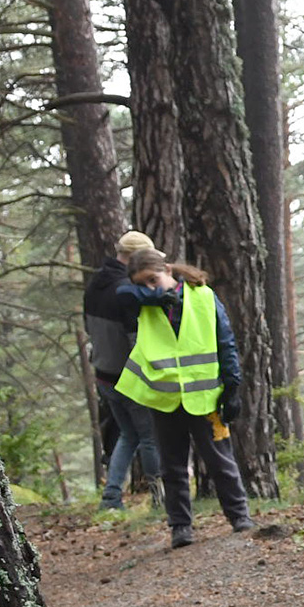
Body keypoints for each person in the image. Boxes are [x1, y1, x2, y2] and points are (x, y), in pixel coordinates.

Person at [114, 248, 254, 546]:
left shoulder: (203, 296)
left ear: (168, 269)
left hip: (206, 398)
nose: (151, 287)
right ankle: (180, 527)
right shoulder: (143, 302)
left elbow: (225, 342)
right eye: (143, 284)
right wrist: (152, 295)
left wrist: (232, 389)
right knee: (173, 466)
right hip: (165, 400)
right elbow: (120, 296)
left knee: (220, 461)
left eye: (154, 279)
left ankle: (240, 516)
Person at [84, 230, 164, 510]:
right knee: (150, 437)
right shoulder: (125, 291)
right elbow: (136, 339)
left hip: (104, 375)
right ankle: (160, 499)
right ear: (137, 258)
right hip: (128, 378)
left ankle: (111, 497)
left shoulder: (95, 284)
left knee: (129, 435)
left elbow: (88, 328)